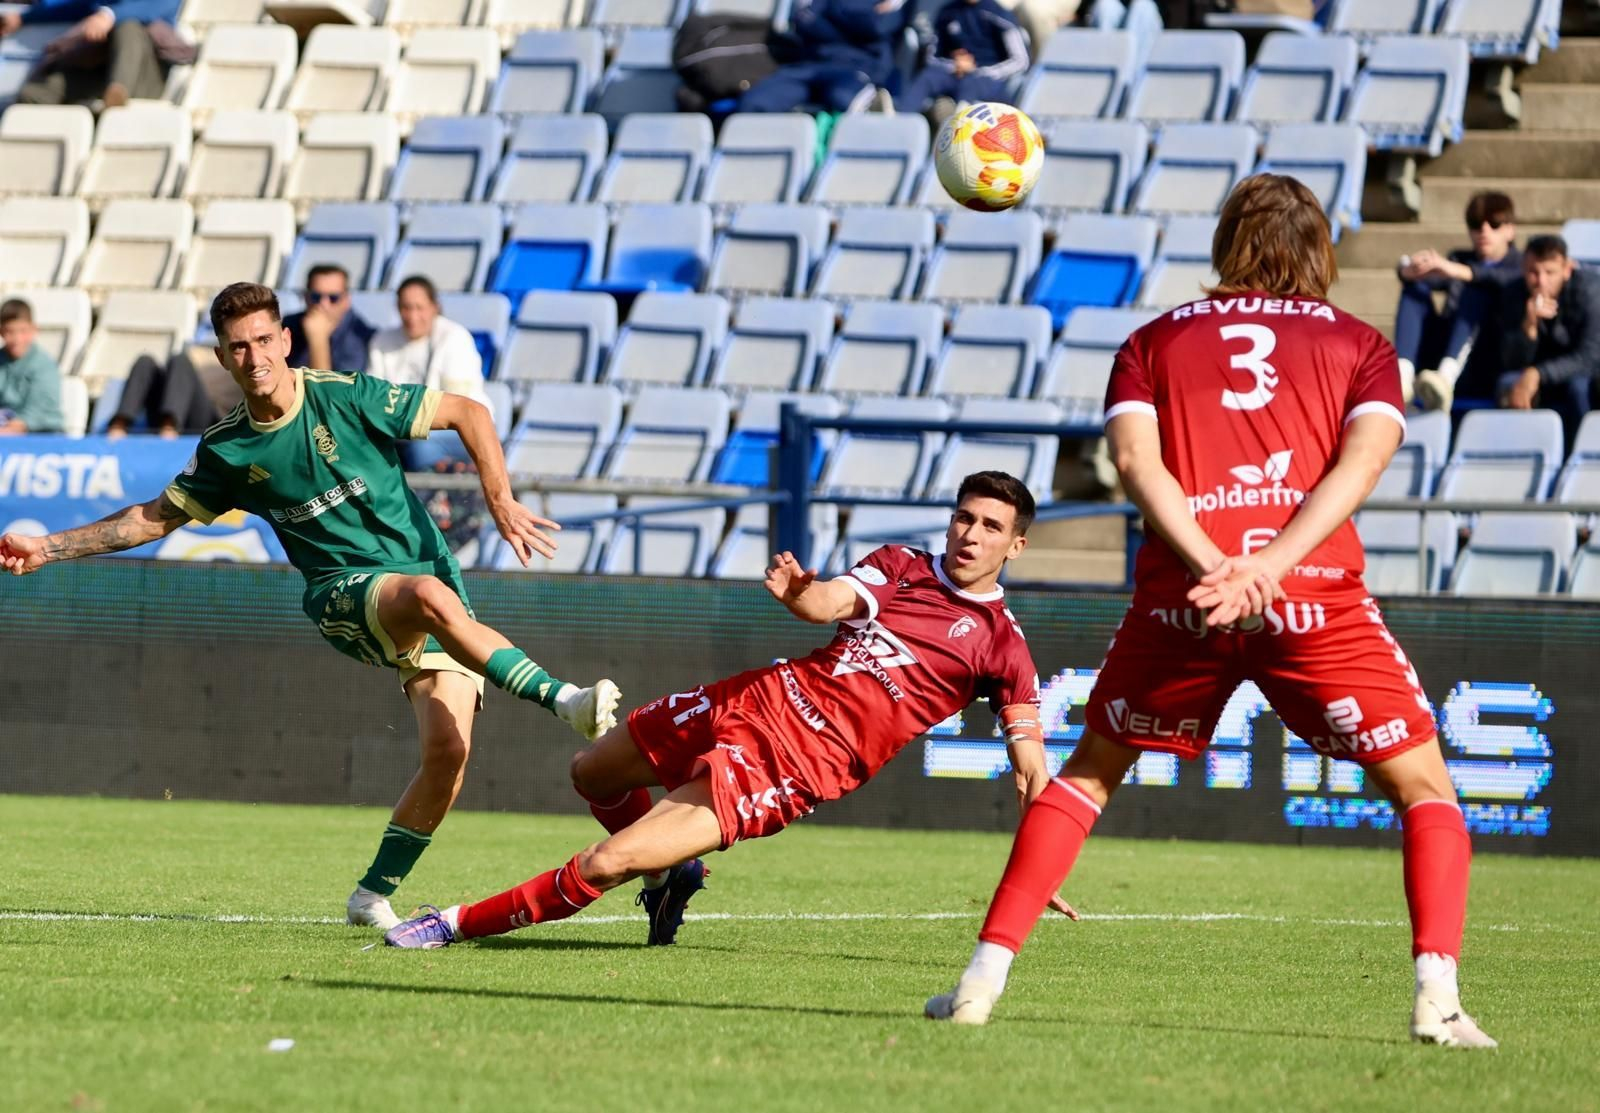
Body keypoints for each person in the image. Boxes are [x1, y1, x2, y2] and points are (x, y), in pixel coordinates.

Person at [924, 175, 1497, 1049]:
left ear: (1228, 243)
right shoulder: (1361, 344)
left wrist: (1215, 569)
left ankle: (978, 982)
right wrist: (1265, 566)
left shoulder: (1151, 341)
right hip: (1308, 594)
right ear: (1320, 251)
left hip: (1183, 599)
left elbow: (1133, 463)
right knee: (1426, 792)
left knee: (1085, 778)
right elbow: (1367, 460)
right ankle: (1438, 1003)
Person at [0, 282, 622, 931]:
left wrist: (500, 501)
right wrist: (47, 546)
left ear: (286, 340)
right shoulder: (229, 449)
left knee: (449, 752)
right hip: (343, 595)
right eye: (238, 347)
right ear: (222, 355)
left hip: (427, 583)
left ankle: (370, 895)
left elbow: (469, 412)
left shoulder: (347, 395)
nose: (254, 356)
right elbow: (150, 519)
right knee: (430, 596)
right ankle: (565, 700)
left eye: (264, 340)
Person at [383, 471, 1067, 950]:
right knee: (592, 772)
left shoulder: (1003, 649)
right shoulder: (903, 565)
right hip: (755, 697)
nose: (971, 534)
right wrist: (800, 592)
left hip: (794, 762)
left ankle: (449, 923)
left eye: (991, 526)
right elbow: (829, 602)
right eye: (964, 517)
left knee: (604, 861)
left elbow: (1032, 771)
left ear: (1017, 544)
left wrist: (1045, 865)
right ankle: (672, 874)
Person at [1394, 191, 1523, 413]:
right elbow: (1429, 279)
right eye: (1475, 224)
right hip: (1443, 349)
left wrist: (1458, 271)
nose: (1484, 231)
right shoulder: (1460, 258)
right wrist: (1409, 271)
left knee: (1476, 291)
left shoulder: (1520, 264)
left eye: (1494, 224)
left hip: (1486, 360)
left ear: (1510, 229)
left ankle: (1446, 379)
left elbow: (1501, 279)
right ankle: (1403, 375)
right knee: (1415, 290)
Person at [366, 275, 492, 474]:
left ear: (435, 307)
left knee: (420, 447)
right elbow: (371, 400)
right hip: (401, 431)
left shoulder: (454, 337)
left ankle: (430, 499)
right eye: (406, 307)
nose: (412, 316)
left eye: (419, 307)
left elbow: (457, 406)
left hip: (461, 430)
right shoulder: (382, 341)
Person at [1497, 234, 1600, 444]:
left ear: (1567, 270)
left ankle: (1583, 453)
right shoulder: (1514, 295)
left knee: (1578, 388)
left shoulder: (1591, 293)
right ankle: (1523, 455)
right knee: (1507, 384)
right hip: (1544, 376)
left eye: (1550, 272)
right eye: (1533, 272)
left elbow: (1589, 357)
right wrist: (1529, 327)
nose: (1541, 281)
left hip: (1582, 374)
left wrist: (1538, 374)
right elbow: (1509, 361)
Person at [0, 0, 193, 109]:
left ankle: (118, 91)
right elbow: (66, 6)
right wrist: (22, 17)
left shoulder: (118, 10)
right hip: (100, 76)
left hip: (145, 78)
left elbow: (155, 6)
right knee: (33, 94)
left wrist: (108, 16)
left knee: (128, 27)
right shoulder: (103, 4)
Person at [739, 0, 907, 114]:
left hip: (859, 66)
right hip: (810, 65)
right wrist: (850, 21)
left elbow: (878, 25)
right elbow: (804, 21)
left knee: (845, 98)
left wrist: (831, 16)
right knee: (754, 102)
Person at [894, 0, 1029, 120]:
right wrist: (955, 65)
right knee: (927, 78)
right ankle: (901, 121)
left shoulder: (999, 14)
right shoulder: (947, 13)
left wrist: (979, 70)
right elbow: (932, 56)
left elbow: (1020, 60)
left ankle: (957, 128)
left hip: (987, 78)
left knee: (970, 86)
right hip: (953, 72)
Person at [284, 265, 376, 376]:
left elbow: (332, 390)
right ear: (305, 297)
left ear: (347, 300)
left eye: (333, 298)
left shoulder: (360, 335)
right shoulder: (289, 325)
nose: (324, 304)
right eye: (316, 297)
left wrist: (318, 340)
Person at [105, 351, 218, 439]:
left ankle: (169, 428)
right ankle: (119, 427)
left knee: (180, 360)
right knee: (145, 362)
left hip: (204, 424)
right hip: (167, 409)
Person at [0, 298, 65, 435]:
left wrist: (8, 429)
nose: (17, 339)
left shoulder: (44, 366)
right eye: (9, 331)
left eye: (23, 331)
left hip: (41, 435)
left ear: (34, 330)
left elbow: (36, 414)